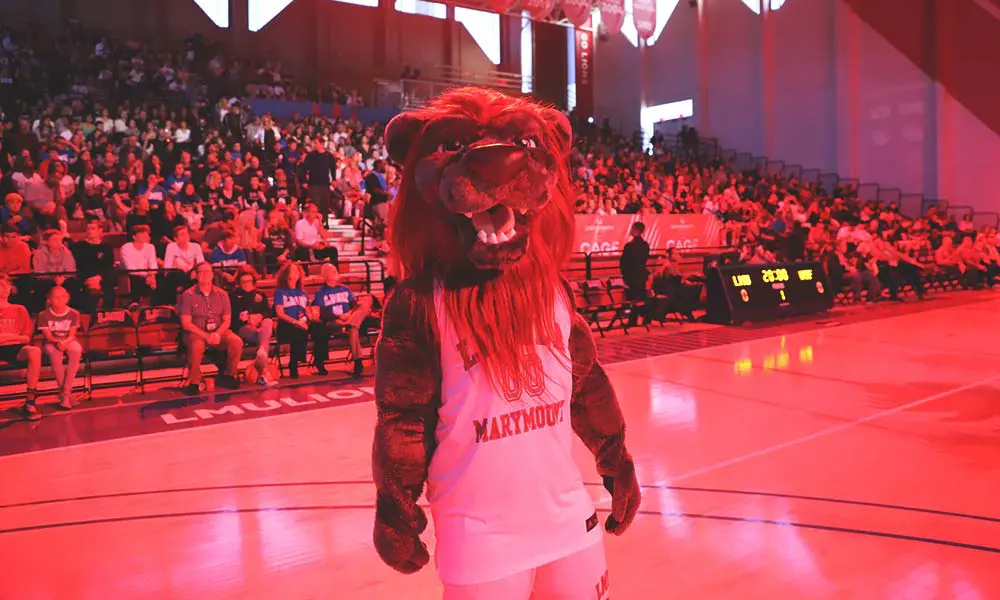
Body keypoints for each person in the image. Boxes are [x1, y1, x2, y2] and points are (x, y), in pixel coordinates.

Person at [177, 261, 243, 394]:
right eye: (201, 272)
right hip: (196, 332)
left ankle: (229, 375)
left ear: (212, 275)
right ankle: (194, 382)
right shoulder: (188, 295)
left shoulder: (222, 294)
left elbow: (227, 320)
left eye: (207, 271)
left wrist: (217, 334)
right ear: (196, 275)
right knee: (197, 346)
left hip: (218, 331)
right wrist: (206, 336)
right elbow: (186, 323)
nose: (205, 274)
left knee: (236, 341)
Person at [312, 263, 372, 378]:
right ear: (325, 275)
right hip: (334, 322)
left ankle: (358, 363)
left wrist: (349, 314)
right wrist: (339, 316)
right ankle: (358, 362)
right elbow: (322, 312)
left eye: (335, 269)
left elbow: (354, 305)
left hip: (349, 318)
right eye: (331, 270)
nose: (335, 271)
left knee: (364, 307)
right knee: (353, 329)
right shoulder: (321, 292)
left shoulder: (345, 289)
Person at [273, 261, 329, 378]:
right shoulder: (280, 291)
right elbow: (280, 313)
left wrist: (311, 317)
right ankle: (293, 364)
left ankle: (319, 361)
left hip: (303, 321)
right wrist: (296, 322)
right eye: (293, 270)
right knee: (298, 330)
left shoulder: (302, 293)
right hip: (287, 324)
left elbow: (307, 309)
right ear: (286, 274)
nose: (296, 273)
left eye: (297, 271)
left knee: (320, 327)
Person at [0, 274, 43, 420]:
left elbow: (26, 337)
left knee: (34, 351)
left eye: (6, 285)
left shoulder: (19, 309)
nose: (4, 289)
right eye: (0, 286)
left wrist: (7, 337)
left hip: (15, 348)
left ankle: (30, 402)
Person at [230, 266, 277, 386]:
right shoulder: (233, 296)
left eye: (249, 281)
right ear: (239, 282)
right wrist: (241, 317)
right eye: (243, 282)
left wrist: (260, 316)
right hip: (244, 328)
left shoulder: (260, 294)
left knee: (268, 322)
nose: (246, 284)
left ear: (253, 281)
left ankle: (263, 369)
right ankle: (263, 364)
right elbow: (230, 318)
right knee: (262, 339)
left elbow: (269, 312)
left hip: (261, 327)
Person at [37, 285, 83, 409]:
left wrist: (65, 342)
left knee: (76, 349)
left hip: (68, 340)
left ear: (68, 298)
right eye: (56, 297)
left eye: (63, 296)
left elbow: (72, 335)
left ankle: (65, 392)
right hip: (51, 342)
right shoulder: (43, 315)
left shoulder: (74, 313)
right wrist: (58, 342)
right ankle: (66, 396)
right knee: (54, 353)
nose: (60, 299)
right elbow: (48, 336)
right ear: (49, 300)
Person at [71, 218, 117, 314]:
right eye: (88, 229)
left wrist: (99, 278)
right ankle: (88, 316)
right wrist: (89, 279)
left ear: (100, 230)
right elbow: (78, 265)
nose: (89, 231)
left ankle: (107, 315)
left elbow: (109, 266)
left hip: (102, 278)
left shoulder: (107, 247)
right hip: (84, 278)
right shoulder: (79, 246)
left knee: (110, 282)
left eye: (93, 228)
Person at [619, 222, 650, 327]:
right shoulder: (645, 245)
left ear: (636, 230)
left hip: (631, 275)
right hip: (641, 274)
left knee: (633, 298)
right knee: (640, 297)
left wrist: (624, 274)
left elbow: (624, 262)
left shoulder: (630, 246)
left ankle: (633, 320)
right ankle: (644, 317)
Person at [119, 224, 159, 305]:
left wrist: (151, 276)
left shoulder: (150, 247)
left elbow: (153, 265)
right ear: (134, 237)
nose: (145, 236)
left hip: (148, 276)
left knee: (160, 279)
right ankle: (134, 303)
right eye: (142, 233)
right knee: (136, 278)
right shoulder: (126, 248)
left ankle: (158, 306)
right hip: (130, 276)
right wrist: (146, 276)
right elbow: (131, 269)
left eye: (146, 234)